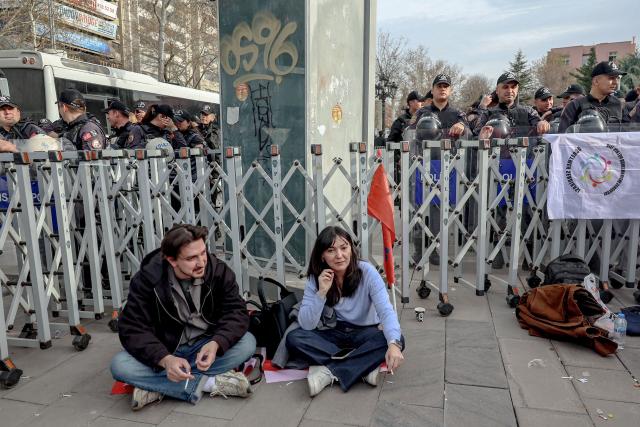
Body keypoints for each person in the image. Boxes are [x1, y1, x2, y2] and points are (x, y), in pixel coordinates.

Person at [111, 224, 256, 410]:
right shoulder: (147, 279)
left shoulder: (218, 270)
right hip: (166, 348)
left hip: (204, 346)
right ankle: (210, 383)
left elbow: (237, 312)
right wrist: (165, 359)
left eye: (203, 253)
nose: (202, 262)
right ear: (172, 260)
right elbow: (132, 329)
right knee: (120, 365)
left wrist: (216, 343)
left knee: (248, 343)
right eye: (191, 258)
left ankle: (158, 387)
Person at [286, 226, 405, 397]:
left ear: (351, 248)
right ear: (322, 255)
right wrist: (321, 293)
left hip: (365, 332)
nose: (339, 255)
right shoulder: (316, 277)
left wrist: (393, 345)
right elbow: (307, 324)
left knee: (397, 339)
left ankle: (329, 372)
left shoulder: (367, 272)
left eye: (344, 248)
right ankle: (363, 367)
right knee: (294, 338)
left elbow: (386, 311)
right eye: (331, 250)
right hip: (334, 331)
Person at [475, 72, 549, 139]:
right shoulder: (488, 113)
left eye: (513, 87)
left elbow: (539, 125)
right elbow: (475, 137)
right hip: (496, 153)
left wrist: (542, 124)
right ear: (497, 90)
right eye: (505, 87)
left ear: (517, 89)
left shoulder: (528, 112)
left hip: (524, 153)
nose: (510, 91)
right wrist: (481, 138)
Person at [558, 62, 626, 133]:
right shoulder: (575, 105)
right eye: (611, 78)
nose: (616, 82)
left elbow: (627, 134)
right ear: (596, 81)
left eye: (617, 78)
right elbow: (563, 137)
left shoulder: (618, 104)